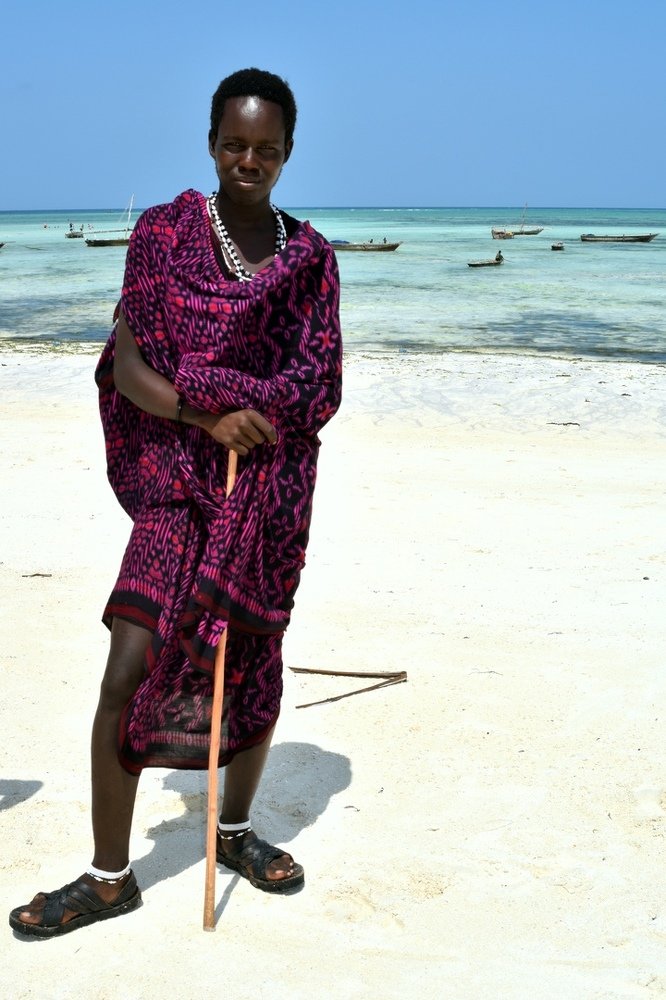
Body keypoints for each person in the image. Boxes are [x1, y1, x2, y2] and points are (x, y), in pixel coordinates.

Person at [10, 67, 342, 939]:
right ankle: (110, 875)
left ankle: (232, 829)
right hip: (175, 492)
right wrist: (211, 411)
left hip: (261, 494)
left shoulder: (309, 261)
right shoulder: (161, 237)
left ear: (287, 154)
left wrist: (258, 419)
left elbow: (320, 381)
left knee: (252, 660)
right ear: (211, 143)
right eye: (235, 144)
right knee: (128, 666)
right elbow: (129, 368)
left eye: (267, 149)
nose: (249, 160)